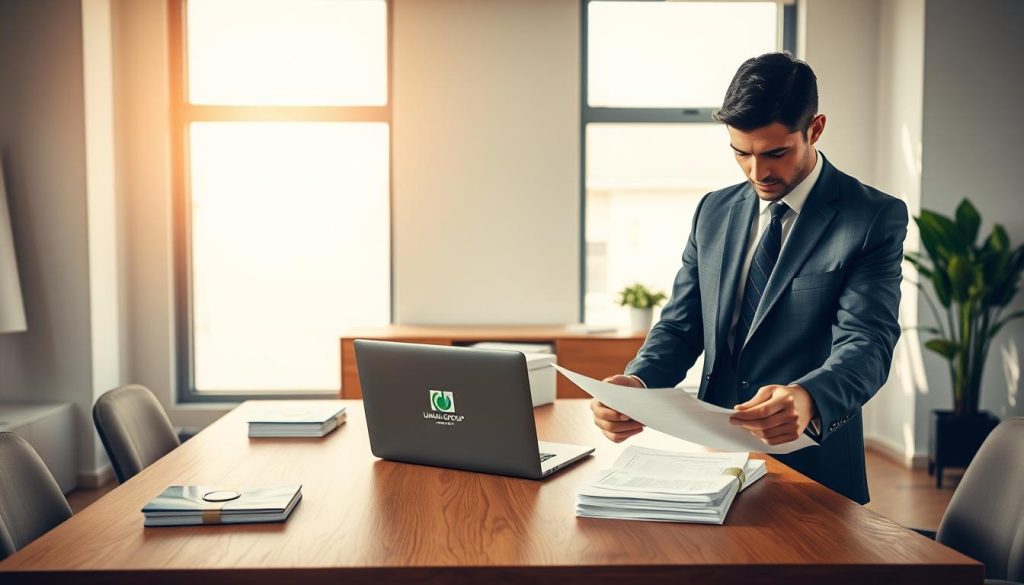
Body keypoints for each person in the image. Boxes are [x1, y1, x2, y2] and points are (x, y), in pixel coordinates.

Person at [591, 52, 907, 504]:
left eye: (776, 153)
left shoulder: (872, 217)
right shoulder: (713, 211)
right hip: (710, 461)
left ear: (815, 129)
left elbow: (867, 343)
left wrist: (808, 398)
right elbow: (681, 327)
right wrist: (637, 385)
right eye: (742, 153)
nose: (758, 172)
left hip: (813, 471)